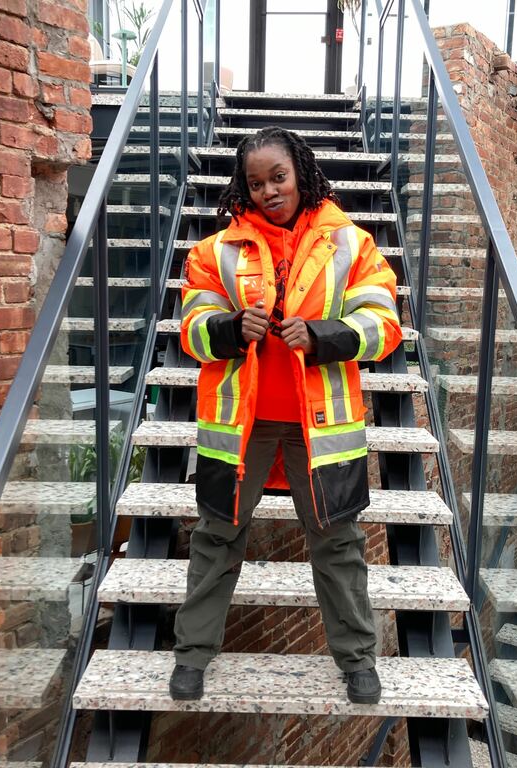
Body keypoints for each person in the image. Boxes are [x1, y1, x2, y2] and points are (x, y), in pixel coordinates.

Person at [171, 126, 402, 704]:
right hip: (239, 426)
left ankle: (358, 659)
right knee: (216, 536)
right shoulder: (214, 252)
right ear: (243, 188)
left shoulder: (352, 244)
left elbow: (384, 324)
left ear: (301, 172)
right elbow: (192, 331)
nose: (269, 191)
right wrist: (228, 328)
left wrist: (324, 336)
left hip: (319, 426)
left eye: (279, 177)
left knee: (337, 540)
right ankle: (192, 655)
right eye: (256, 183)